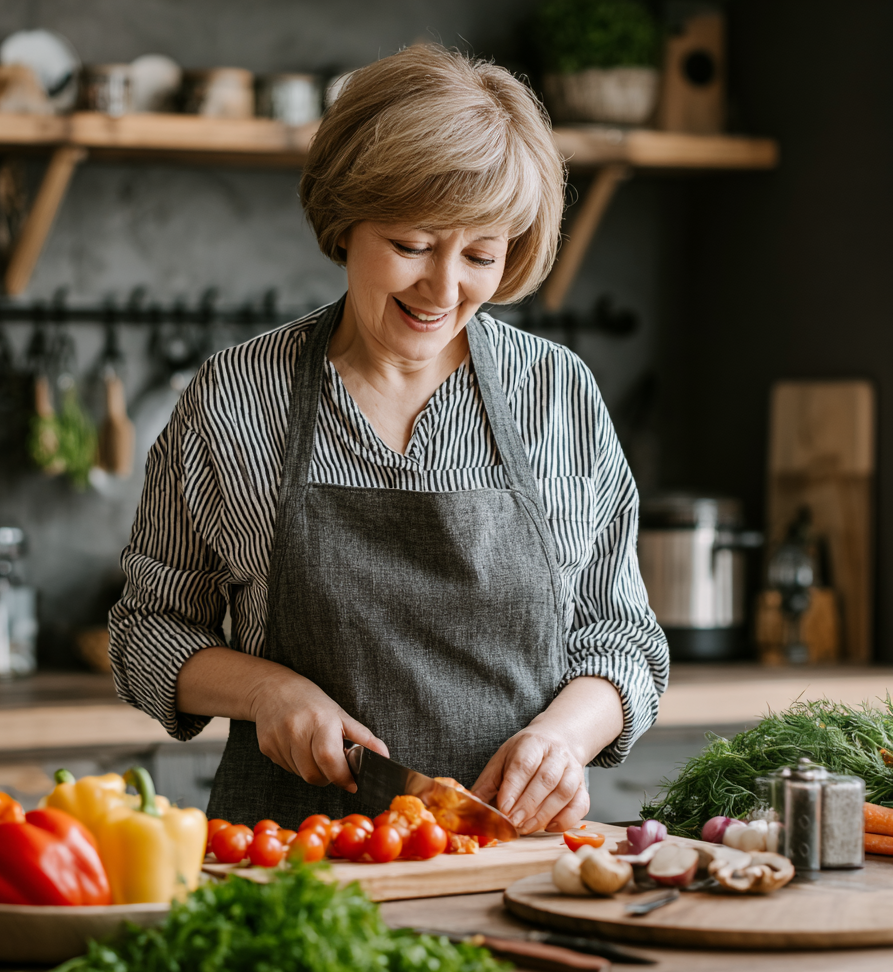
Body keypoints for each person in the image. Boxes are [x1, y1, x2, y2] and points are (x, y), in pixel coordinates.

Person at [109, 45, 668, 834]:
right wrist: (268, 690)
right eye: (411, 245)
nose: (443, 290)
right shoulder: (237, 398)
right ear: (347, 222)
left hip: (508, 860)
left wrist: (560, 740)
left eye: (481, 254)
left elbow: (623, 641)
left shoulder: (557, 396)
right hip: (296, 865)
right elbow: (148, 629)